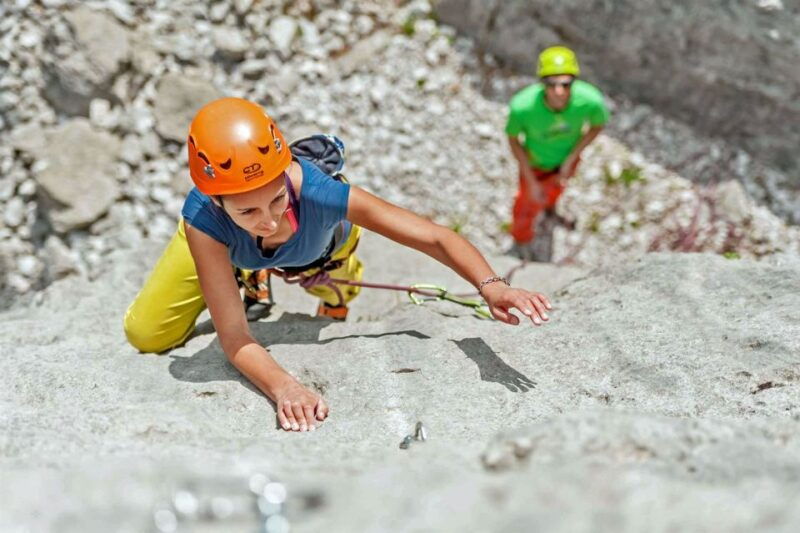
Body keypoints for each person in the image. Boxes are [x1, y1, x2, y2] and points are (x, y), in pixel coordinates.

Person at [124, 98, 553, 433]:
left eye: (276, 198)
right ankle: (246, 269)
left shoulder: (320, 194)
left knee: (332, 295)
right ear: (216, 201)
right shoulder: (205, 219)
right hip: (225, 245)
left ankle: (303, 276)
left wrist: (492, 285)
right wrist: (284, 387)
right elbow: (234, 337)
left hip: (319, 248)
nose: (269, 219)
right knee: (146, 333)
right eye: (247, 211)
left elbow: (435, 236)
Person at [506, 45, 609, 260]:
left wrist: (572, 157)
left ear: (574, 81)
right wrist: (530, 180)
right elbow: (514, 139)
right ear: (542, 84)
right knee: (526, 204)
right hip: (535, 164)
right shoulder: (522, 107)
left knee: (556, 189)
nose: (559, 91)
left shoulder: (590, 101)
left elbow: (597, 125)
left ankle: (549, 207)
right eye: (551, 84)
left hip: (565, 161)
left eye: (565, 84)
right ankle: (521, 238)